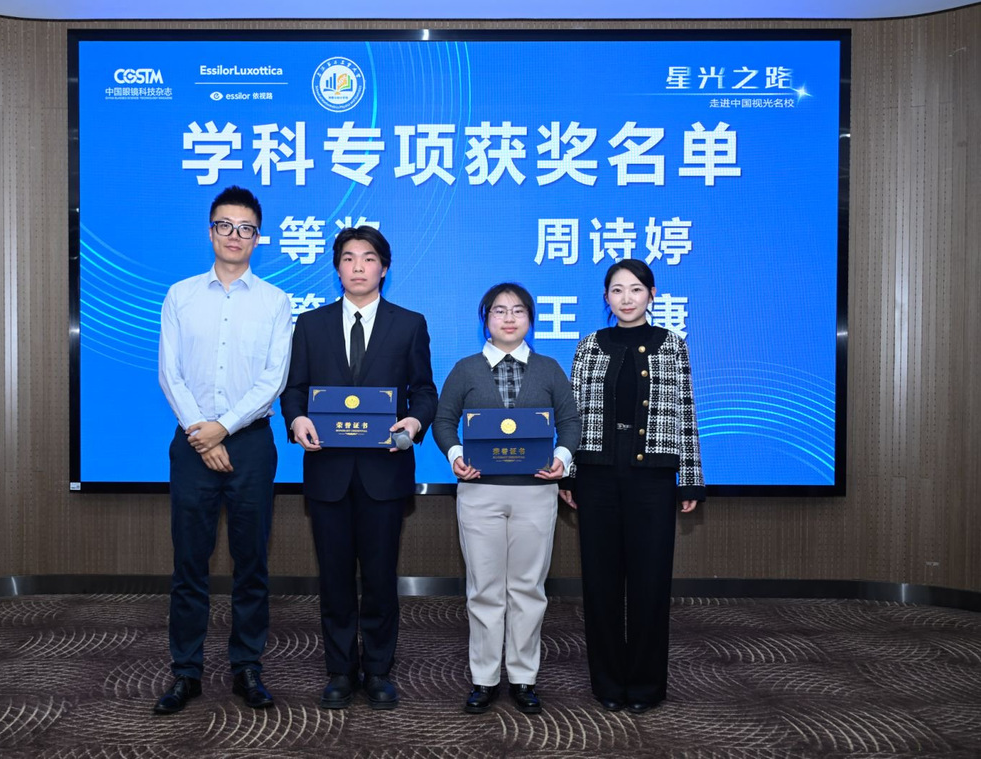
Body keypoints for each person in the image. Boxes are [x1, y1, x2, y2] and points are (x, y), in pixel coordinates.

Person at [281, 226, 438, 710]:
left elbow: (424, 390)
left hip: (384, 472)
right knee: (333, 578)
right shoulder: (311, 324)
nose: (357, 267)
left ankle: (378, 669)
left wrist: (414, 421)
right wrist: (296, 419)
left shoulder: (408, 324)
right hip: (327, 470)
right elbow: (294, 389)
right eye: (348, 258)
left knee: (379, 576)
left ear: (383, 268)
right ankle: (340, 669)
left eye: (368, 258)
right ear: (337, 267)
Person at [153, 186, 292, 714]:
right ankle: (185, 671)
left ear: (258, 238)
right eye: (225, 226)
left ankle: (247, 666)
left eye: (246, 228)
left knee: (251, 562)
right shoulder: (180, 295)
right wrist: (201, 432)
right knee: (189, 564)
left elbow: (273, 380)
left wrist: (223, 429)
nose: (235, 236)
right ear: (210, 231)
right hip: (192, 444)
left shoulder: (276, 302)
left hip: (251, 444)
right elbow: (170, 373)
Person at [559, 259, 704, 715]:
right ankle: (607, 682)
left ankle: (644, 685)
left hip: (652, 478)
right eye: (617, 290)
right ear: (606, 297)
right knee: (600, 583)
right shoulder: (589, 346)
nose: (626, 298)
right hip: (597, 474)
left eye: (636, 289)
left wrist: (690, 480)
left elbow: (685, 413)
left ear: (652, 294)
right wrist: (569, 474)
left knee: (650, 582)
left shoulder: (672, 345)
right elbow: (573, 416)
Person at [432, 283, 581, 715]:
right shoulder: (465, 369)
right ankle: (483, 678)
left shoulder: (549, 369)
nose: (509, 318)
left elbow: (571, 421)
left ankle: (523, 677)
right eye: (499, 310)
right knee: (484, 589)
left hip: (536, 493)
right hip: (480, 492)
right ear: (486, 319)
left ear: (530, 319)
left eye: (518, 310)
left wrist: (562, 458)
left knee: (527, 589)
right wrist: (456, 456)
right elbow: (443, 421)